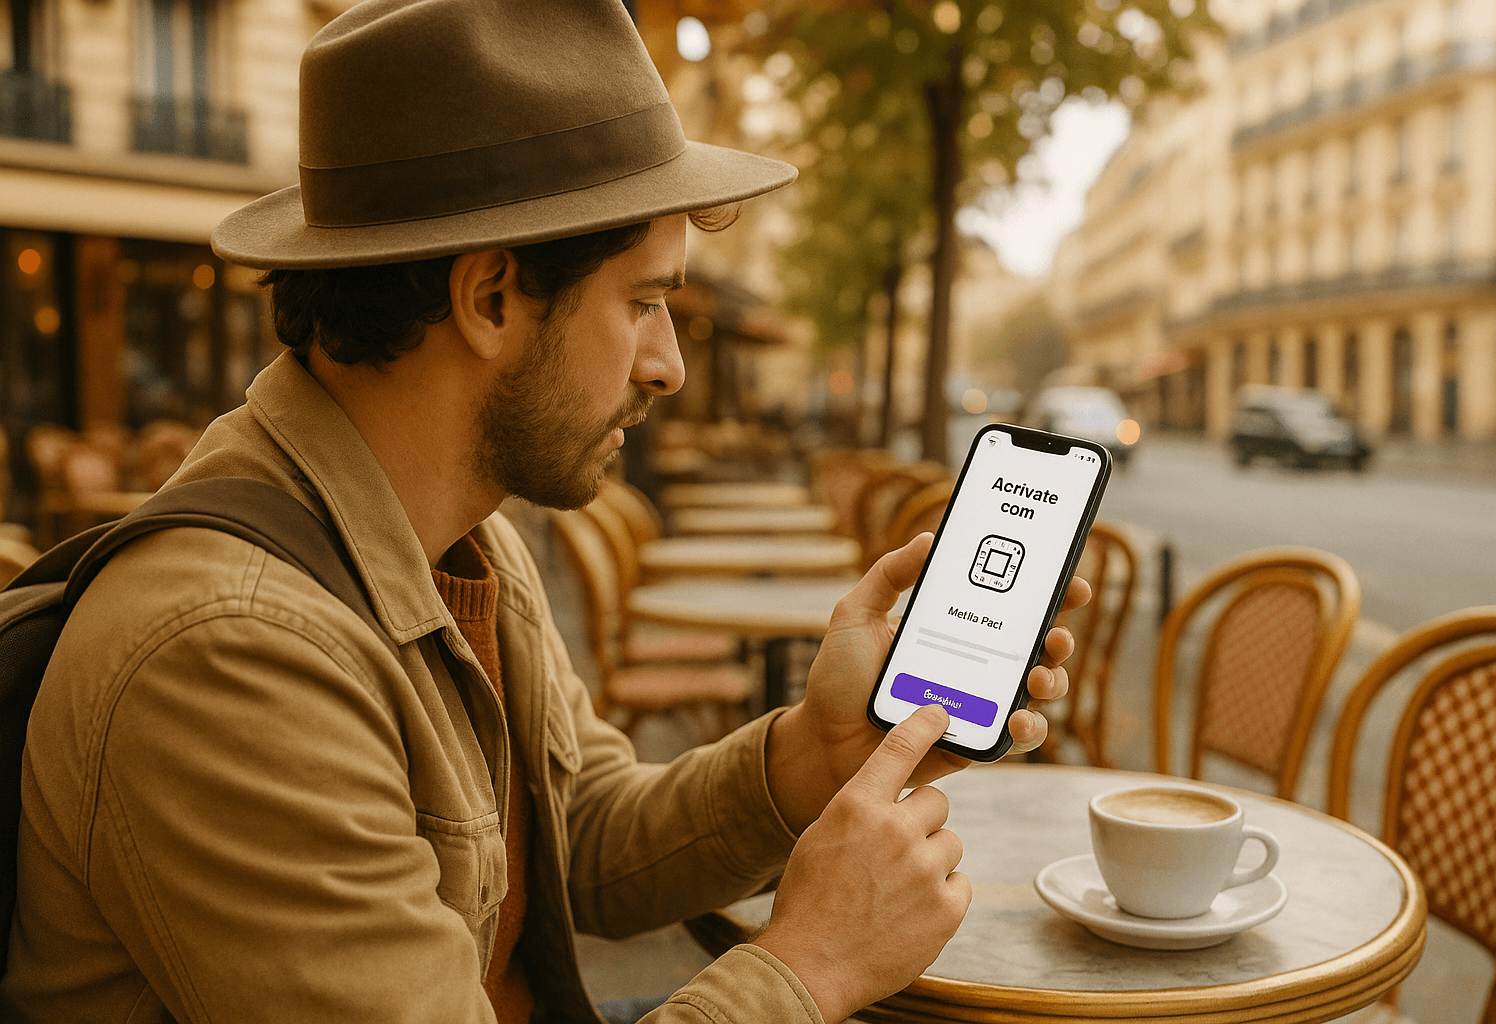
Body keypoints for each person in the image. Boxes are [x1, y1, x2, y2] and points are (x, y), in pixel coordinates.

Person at [0, 2, 1086, 1022]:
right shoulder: (228, 655)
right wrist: (807, 965)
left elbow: (583, 839)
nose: (669, 366)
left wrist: (814, 750)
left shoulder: (463, 539)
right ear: (489, 299)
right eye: (646, 303)